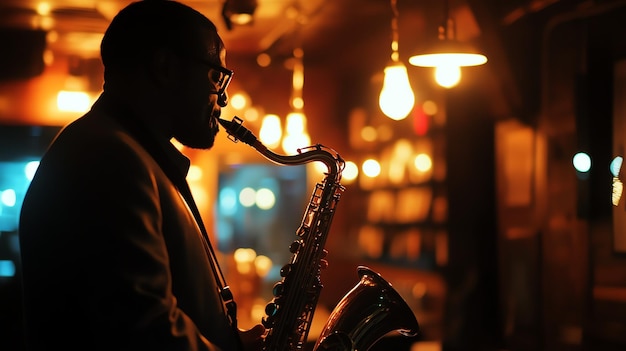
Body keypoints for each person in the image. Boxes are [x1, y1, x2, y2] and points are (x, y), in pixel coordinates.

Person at [18, 1, 265, 350]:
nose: (222, 99)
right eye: (215, 77)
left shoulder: (121, 149)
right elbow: (145, 330)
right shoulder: (110, 157)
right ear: (165, 67)